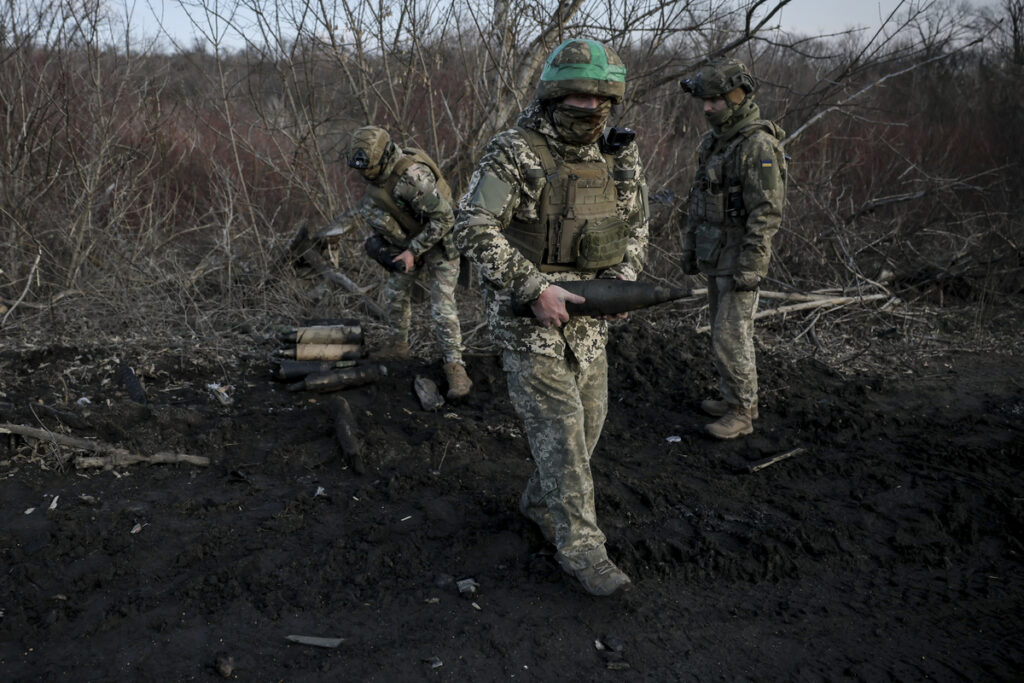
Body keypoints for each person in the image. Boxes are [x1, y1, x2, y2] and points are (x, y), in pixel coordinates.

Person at [454, 38, 649, 596]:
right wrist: (534, 287)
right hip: (527, 318)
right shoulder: (514, 151)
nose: (589, 110)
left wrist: (624, 286)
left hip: (590, 320)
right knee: (562, 439)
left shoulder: (619, 153)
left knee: (589, 426)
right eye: (577, 99)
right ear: (554, 95)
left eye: (600, 99)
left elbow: (636, 226)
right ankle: (583, 551)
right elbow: (471, 226)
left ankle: (540, 503)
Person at [679, 58, 787, 439]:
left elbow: (767, 211)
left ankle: (742, 411)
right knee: (721, 331)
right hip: (716, 253)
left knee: (731, 334)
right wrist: (691, 247)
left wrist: (752, 265)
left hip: (739, 257)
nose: (707, 108)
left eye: (716, 101)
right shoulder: (715, 142)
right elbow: (699, 199)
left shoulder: (757, 144)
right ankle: (737, 398)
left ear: (737, 97)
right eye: (704, 101)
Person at [346, 125, 472, 400]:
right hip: (410, 239)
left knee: (442, 306)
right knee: (395, 291)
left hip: (440, 240)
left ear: (383, 156)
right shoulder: (376, 176)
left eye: (368, 169)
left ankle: (455, 366)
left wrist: (414, 251)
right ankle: (398, 345)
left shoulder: (413, 177)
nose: (364, 175)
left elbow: (445, 219)